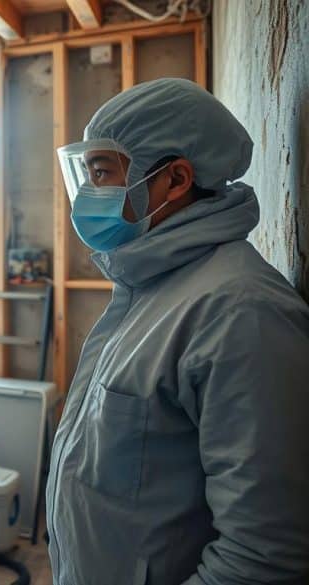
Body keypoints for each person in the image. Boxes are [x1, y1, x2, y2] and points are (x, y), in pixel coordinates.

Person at [47, 77, 309, 584]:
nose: (85, 194)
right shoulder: (148, 287)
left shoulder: (240, 313)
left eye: (102, 173)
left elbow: (264, 556)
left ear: (176, 179)